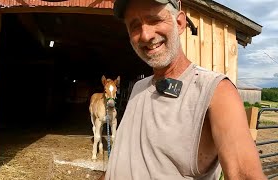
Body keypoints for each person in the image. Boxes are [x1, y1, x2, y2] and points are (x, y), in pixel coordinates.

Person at [99, 0, 266, 179]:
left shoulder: (216, 92)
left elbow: (244, 174)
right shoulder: (139, 88)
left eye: (155, 20)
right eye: (135, 26)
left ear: (179, 23)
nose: (145, 35)